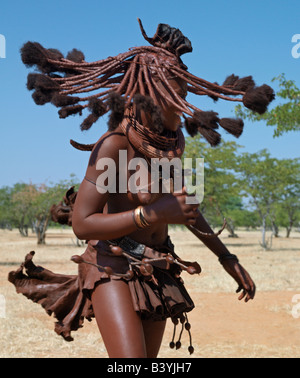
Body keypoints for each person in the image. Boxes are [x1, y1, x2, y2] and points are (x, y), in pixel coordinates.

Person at [9, 19, 274, 358]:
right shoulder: (115, 145)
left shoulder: (168, 145)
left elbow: (185, 208)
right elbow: (83, 222)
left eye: (185, 94)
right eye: (175, 95)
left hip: (158, 268)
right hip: (111, 268)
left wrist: (227, 258)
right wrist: (150, 214)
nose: (183, 104)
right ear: (150, 94)